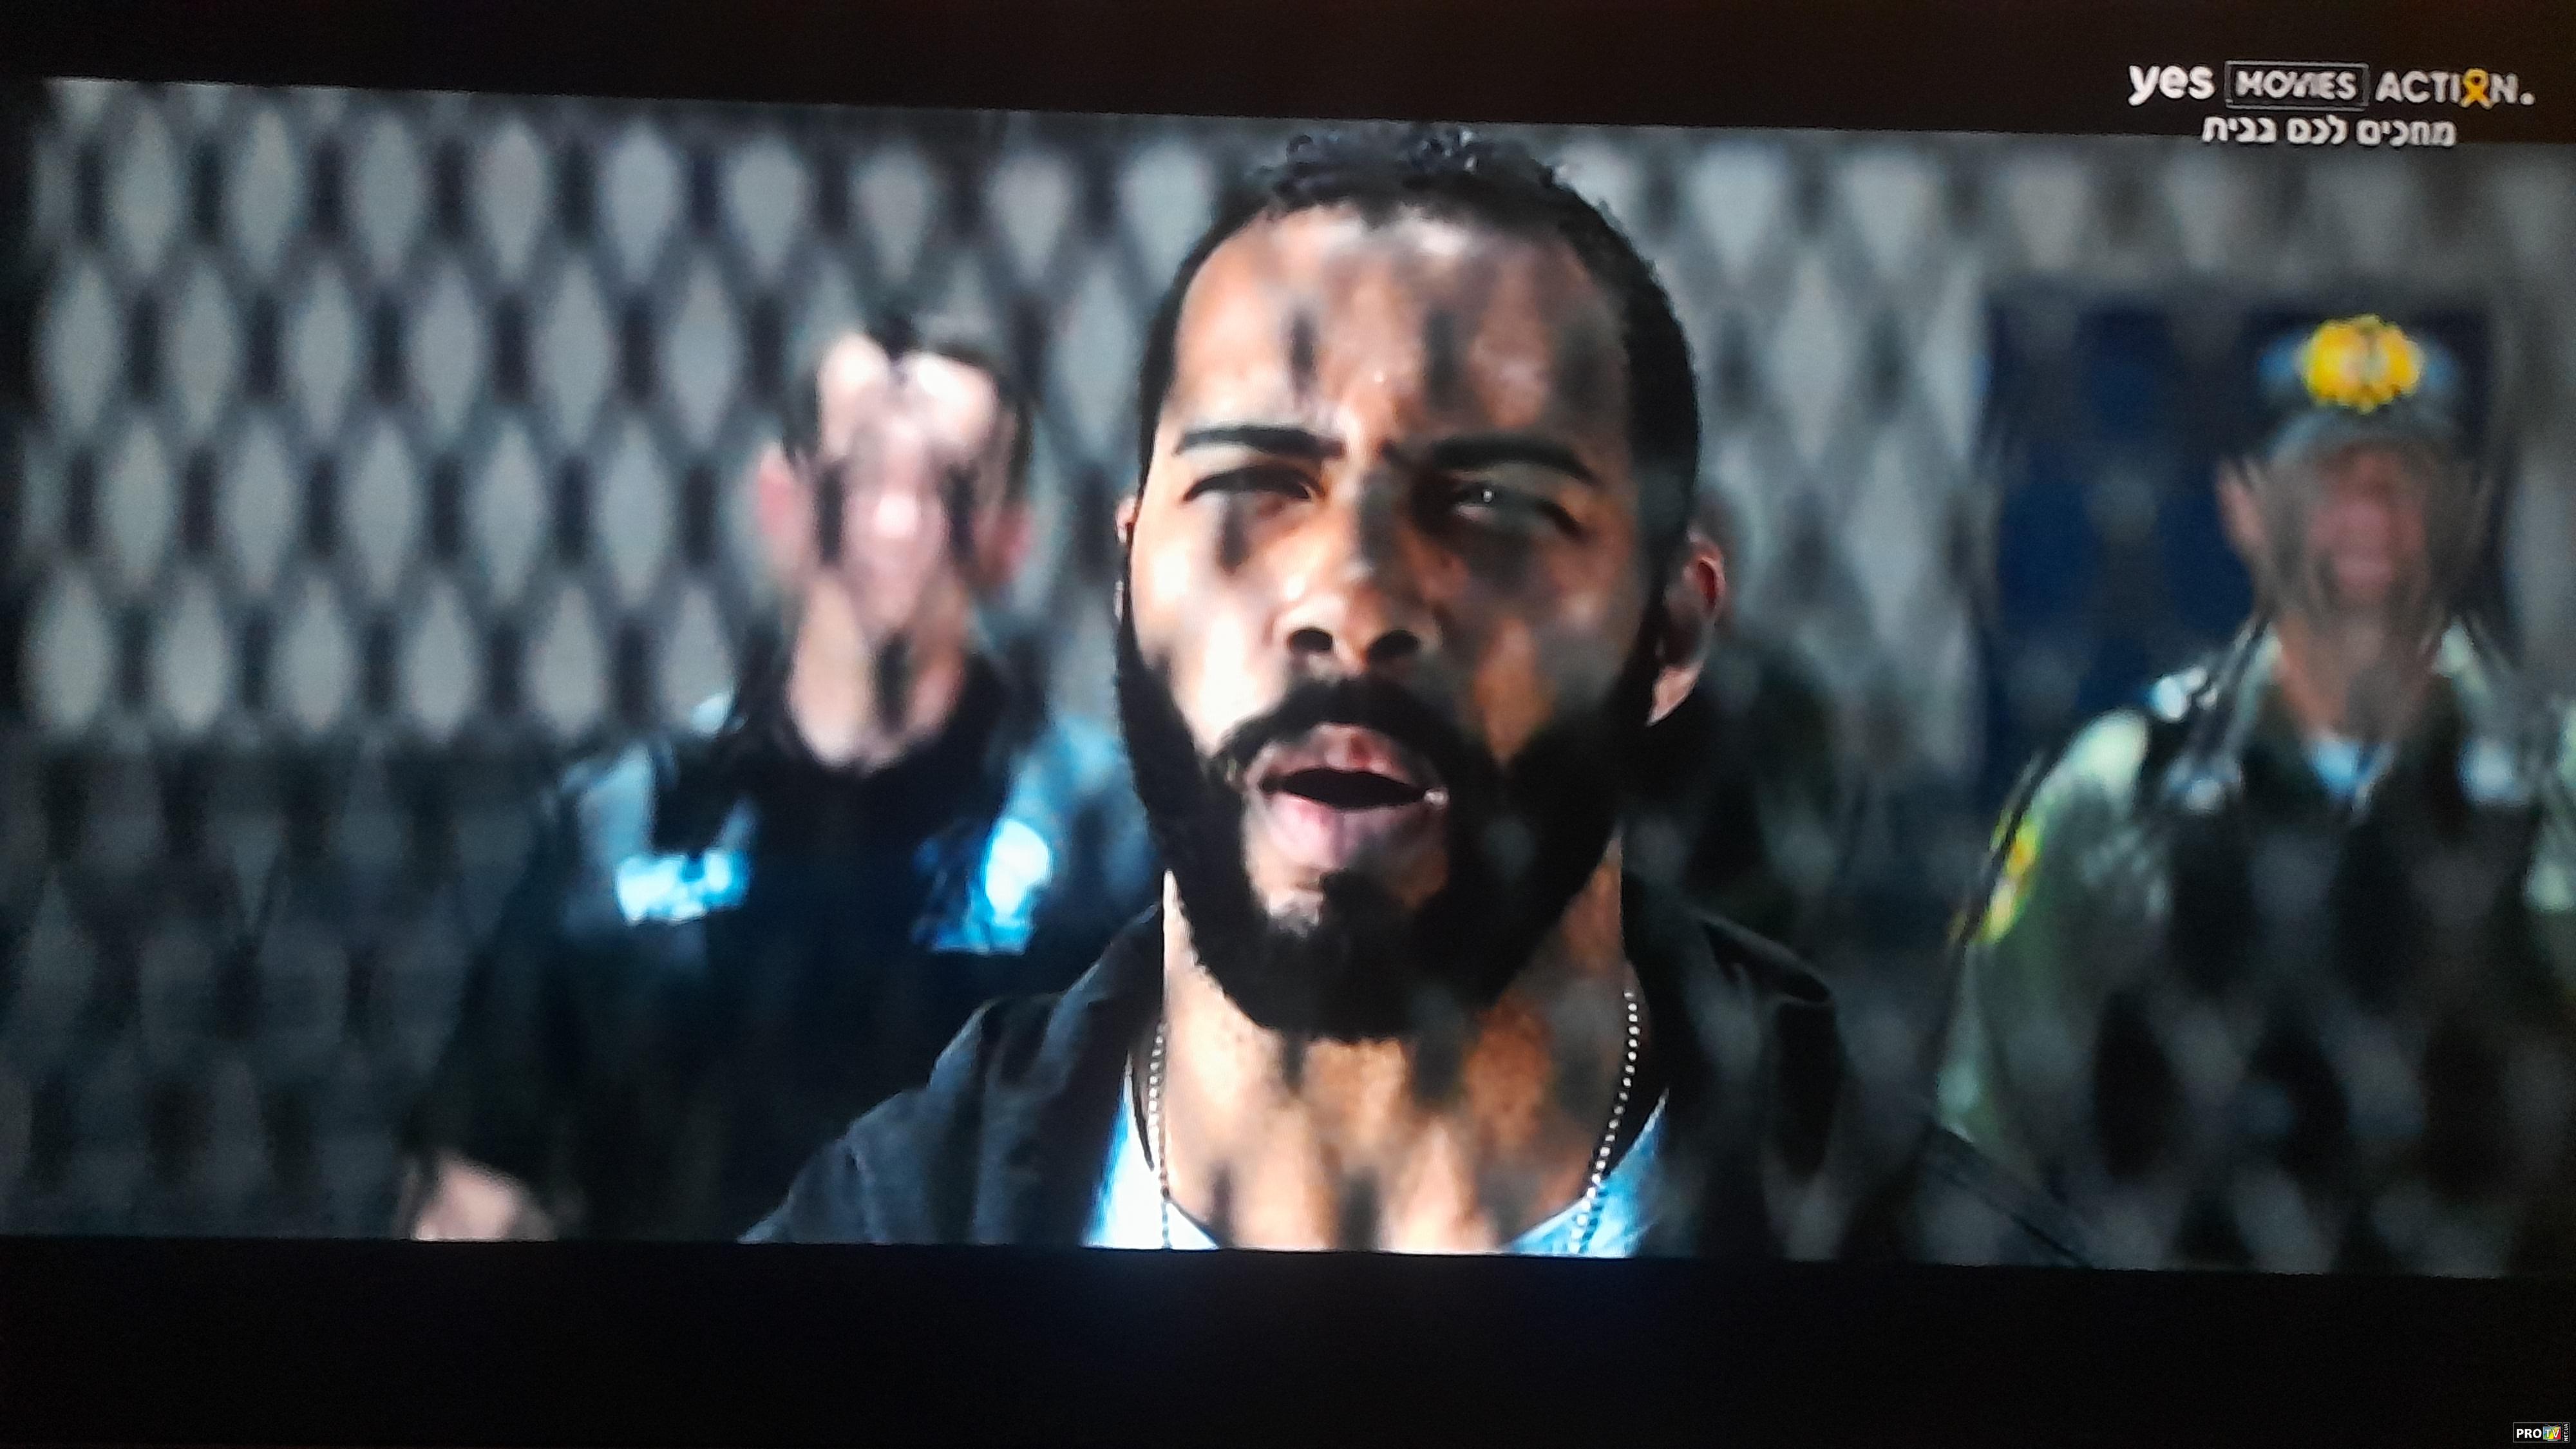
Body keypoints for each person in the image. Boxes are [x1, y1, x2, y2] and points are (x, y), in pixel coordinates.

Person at [748, 125, 2078, 1260]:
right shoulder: (880, 1234)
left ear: (1668, 630)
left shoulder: (1951, 1284)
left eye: (1492, 502)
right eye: (1252, 487)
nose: (1351, 598)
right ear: (1127, 578)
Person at [399, 323, 1157, 1240]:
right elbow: (475, 1192)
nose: (898, 522)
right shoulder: (620, 829)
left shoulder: (1106, 833)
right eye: (861, 475)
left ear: (1010, 539)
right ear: (783, 499)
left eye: (951, 487)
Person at [1937, 314, 2576, 1272]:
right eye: (2327, 475)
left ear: (2473, 510)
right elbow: (1985, 1137)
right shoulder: (2116, 792)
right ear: (2242, 505)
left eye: (2407, 476)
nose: (2369, 510)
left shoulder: (2557, 782)